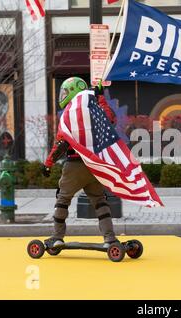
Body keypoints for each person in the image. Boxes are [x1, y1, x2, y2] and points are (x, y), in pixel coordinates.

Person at [42, 77, 118, 249]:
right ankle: (110, 238)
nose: (63, 96)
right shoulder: (94, 109)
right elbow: (110, 119)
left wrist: (48, 164)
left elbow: (62, 142)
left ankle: (57, 237)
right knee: (100, 202)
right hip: (95, 165)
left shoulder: (70, 113)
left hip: (75, 165)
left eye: (65, 92)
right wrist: (100, 97)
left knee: (63, 199)